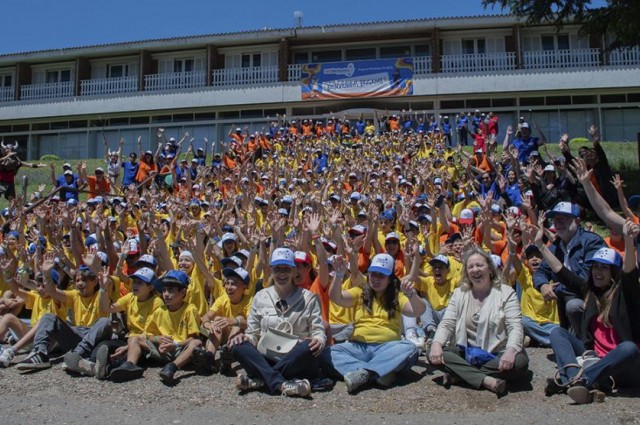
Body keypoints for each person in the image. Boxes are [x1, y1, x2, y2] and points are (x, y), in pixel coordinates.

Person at [544, 220, 640, 404]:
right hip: (596, 358)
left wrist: (629, 241)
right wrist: (540, 245)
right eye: (595, 266)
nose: (598, 271)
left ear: (614, 272)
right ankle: (580, 381)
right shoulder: (590, 290)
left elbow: (630, 272)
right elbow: (561, 271)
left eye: (604, 267)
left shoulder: (626, 293)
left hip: (625, 365)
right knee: (558, 332)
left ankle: (576, 380)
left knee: (629, 348)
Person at [428, 248, 529, 397]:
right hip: (467, 352)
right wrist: (437, 344)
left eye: (479, 265)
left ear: (489, 268)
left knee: (520, 363)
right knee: (435, 353)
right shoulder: (459, 293)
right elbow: (447, 323)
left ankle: (460, 374)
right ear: (466, 272)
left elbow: (515, 326)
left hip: (497, 353)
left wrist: (511, 351)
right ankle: (487, 380)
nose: (475, 270)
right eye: (470, 267)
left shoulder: (506, 293)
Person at [228, 248, 326, 397]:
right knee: (237, 345)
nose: (281, 274)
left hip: (296, 360)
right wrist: (246, 338)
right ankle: (282, 384)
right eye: (277, 269)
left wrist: (319, 339)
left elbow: (318, 331)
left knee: (309, 346)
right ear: (271, 270)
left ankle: (261, 379)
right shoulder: (260, 296)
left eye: (286, 269)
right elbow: (253, 332)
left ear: (294, 271)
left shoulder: (309, 298)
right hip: (268, 356)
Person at [323, 253, 426, 394]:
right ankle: (379, 372)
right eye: (373, 274)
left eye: (382, 275)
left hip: (388, 348)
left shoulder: (397, 296)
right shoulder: (360, 291)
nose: (376, 279)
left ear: (390, 278)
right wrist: (339, 275)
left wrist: (412, 294)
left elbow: (417, 311)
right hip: (359, 348)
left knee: (410, 349)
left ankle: (364, 373)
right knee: (328, 353)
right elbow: (336, 298)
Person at [533, 202, 605, 338]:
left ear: (577, 221)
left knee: (573, 305)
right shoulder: (555, 246)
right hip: (566, 299)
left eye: (563, 218)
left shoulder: (592, 242)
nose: (557, 223)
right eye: (554, 219)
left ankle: (589, 345)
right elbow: (540, 272)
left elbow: (585, 282)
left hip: (593, 299)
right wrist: (543, 286)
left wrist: (554, 289)